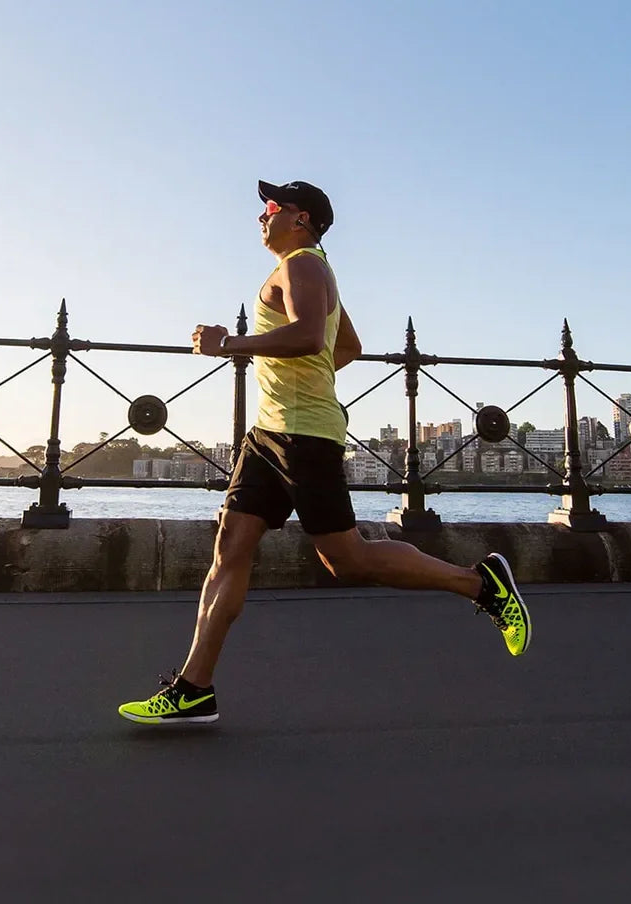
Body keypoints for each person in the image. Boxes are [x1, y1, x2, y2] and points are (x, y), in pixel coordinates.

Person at [118, 179, 530, 725]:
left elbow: (312, 337)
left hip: (302, 437)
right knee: (230, 548)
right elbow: (348, 347)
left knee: (348, 559)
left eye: (271, 207)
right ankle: (194, 687)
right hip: (268, 434)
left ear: (302, 218)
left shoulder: (304, 266)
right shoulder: (305, 268)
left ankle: (483, 583)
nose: (261, 217)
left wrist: (230, 345)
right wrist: (300, 383)